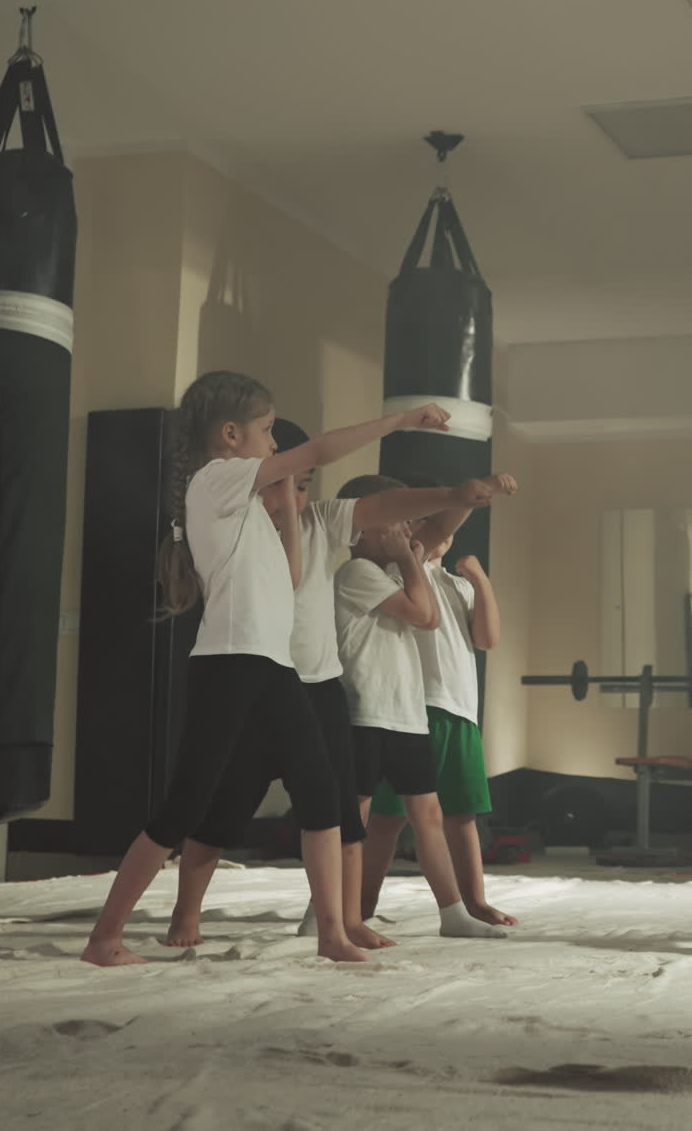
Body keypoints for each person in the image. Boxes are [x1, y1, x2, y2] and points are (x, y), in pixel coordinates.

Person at [80, 370, 455, 968]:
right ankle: (104, 937)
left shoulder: (250, 504)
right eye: (266, 432)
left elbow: (289, 580)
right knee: (184, 806)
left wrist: (282, 504)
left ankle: (332, 932)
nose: (276, 447)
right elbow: (320, 448)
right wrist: (400, 421)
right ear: (229, 435)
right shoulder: (215, 480)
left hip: (274, 667)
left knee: (323, 796)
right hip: (229, 666)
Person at [165, 420, 502, 952]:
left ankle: (337, 921)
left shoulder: (323, 522)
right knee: (225, 807)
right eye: (280, 482)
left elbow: (385, 510)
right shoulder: (237, 527)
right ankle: (186, 913)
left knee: (340, 812)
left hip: (320, 687)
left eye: (301, 484)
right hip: (261, 680)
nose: (292, 496)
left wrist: (454, 495)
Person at [333, 473, 515, 940]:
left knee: (453, 813)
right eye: (405, 519)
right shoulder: (391, 568)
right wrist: (470, 495)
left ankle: (463, 903)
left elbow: (486, 638)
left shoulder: (448, 579)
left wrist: (476, 570)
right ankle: (355, 906)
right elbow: (427, 603)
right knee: (384, 818)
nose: (416, 528)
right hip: (408, 706)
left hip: (450, 708)